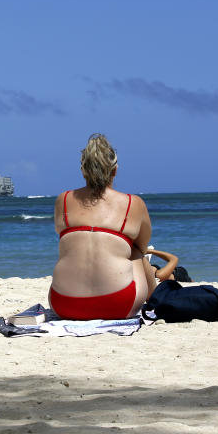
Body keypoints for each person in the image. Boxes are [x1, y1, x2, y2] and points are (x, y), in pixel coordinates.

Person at [50, 133, 153, 320]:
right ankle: (156, 299)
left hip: (64, 305)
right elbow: (143, 245)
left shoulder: (63, 200)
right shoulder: (133, 203)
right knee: (135, 250)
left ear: (83, 171)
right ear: (115, 171)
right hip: (118, 305)